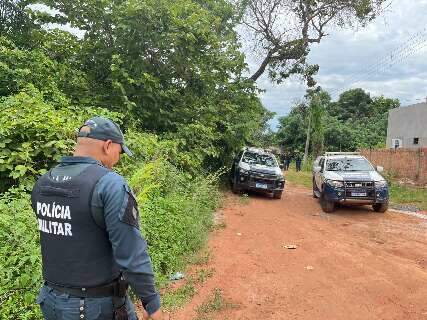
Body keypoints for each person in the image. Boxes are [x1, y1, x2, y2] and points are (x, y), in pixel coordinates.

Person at [31, 117, 163, 320]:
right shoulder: (109, 184)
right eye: (119, 153)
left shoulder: (43, 182)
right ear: (108, 145)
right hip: (93, 308)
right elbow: (131, 253)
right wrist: (151, 303)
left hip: (51, 302)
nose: (117, 160)